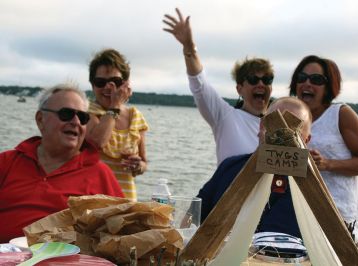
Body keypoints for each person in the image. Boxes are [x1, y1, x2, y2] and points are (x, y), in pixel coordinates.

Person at [0, 84, 124, 243]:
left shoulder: (100, 174)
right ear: (40, 120)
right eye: (66, 114)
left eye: (82, 117)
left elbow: (122, 232)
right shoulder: (7, 162)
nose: (76, 122)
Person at [163, 8, 274, 165]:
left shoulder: (280, 128)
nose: (261, 84)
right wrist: (189, 47)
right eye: (253, 79)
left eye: (267, 79)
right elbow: (199, 85)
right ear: (239, 88)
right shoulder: (225, 116)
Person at [197, 97, 312, 238]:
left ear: (306, 140)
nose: (280, 137)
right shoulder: (230, 167)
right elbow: (193, 216)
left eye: (292, 132)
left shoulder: (310, 192)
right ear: (261, 126)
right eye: (274, 124)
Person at [289, 55, 358, 237]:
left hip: (337, 217)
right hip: (295, 215)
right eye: (301, 78)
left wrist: (327, 164)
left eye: (317, 80)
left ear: (329, 87)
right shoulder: (290, 116)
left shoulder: (340, 114)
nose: (307, 84)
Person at [86, 49, 149, 201]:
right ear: (93, 85)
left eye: (115, 82)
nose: (108, 88)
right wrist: (115, 106)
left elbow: (143, 161)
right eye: (101, 82)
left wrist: (138, 165)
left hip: (126, 199)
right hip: (93, 199)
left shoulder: (135, 117)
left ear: (126, 82)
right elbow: (97, 142)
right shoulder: (87, 111)